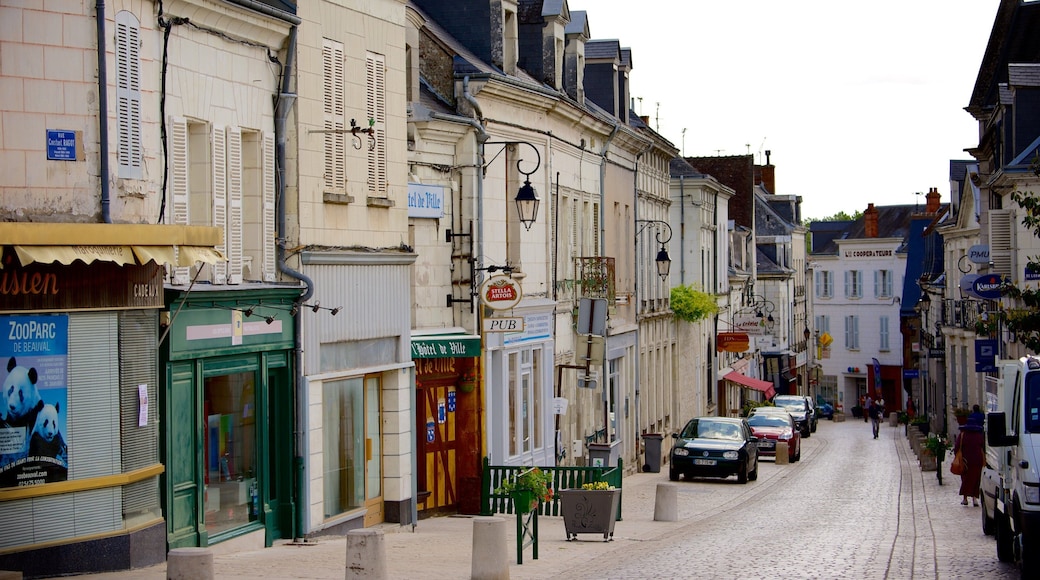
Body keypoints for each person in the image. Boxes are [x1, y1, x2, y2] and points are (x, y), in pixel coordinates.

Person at [954, 411, 985, 506]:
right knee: (976, 479)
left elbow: (957, 447)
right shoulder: (979, 436)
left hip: (965, 461)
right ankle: (974, 499)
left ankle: (965, 498)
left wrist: (957, 456)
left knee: (965, 479)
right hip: (977, 461)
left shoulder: (963, 435)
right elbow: (983, 447)